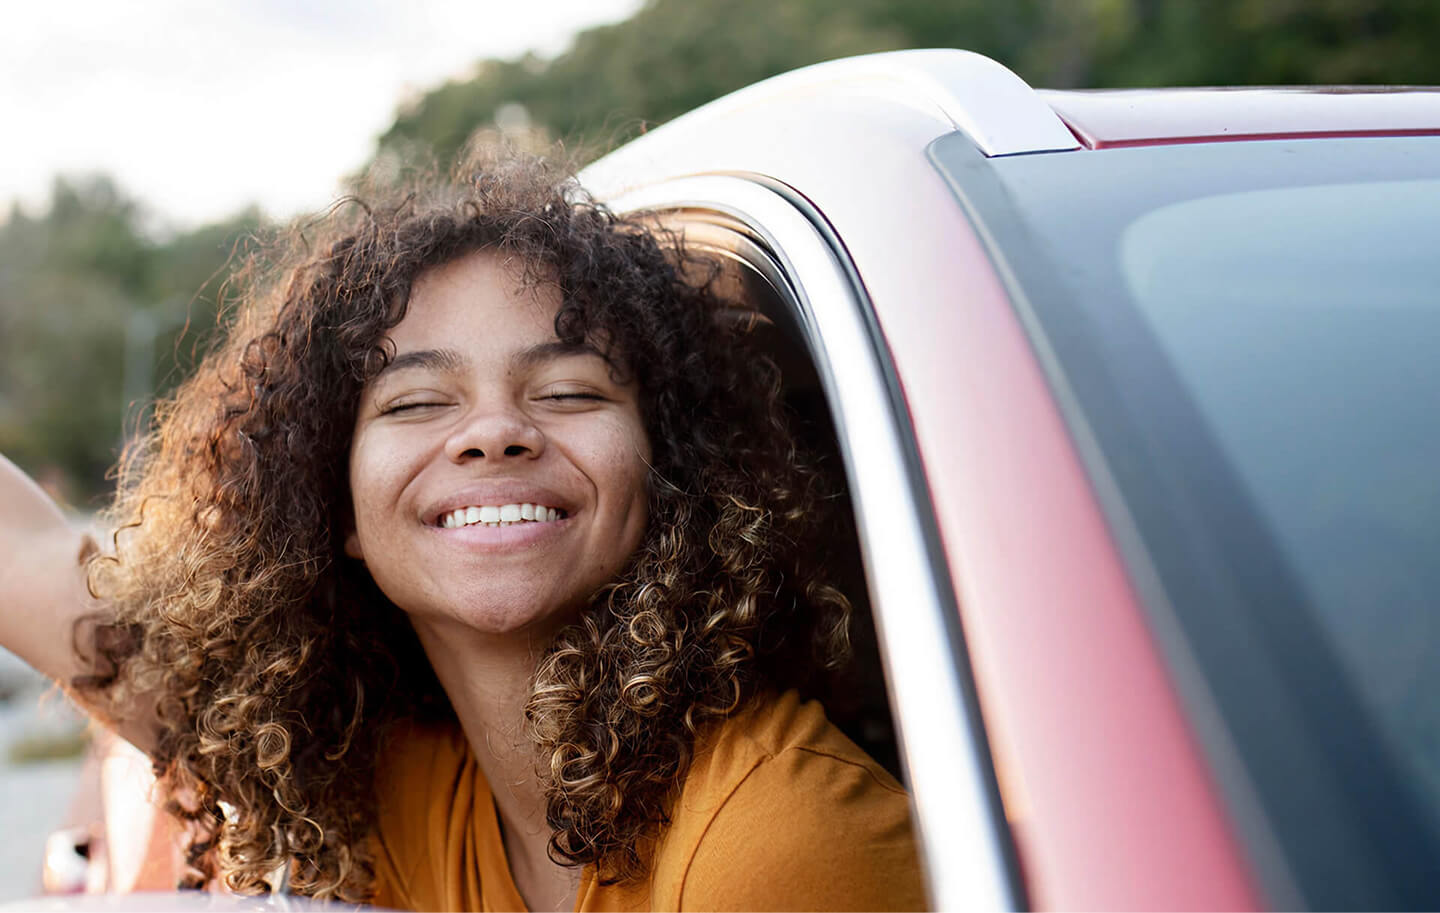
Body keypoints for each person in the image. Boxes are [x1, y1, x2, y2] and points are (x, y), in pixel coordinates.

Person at [0, 154, 924, 911]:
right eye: (415, 401)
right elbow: (31, 561)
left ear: (669, 468)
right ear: (336, 506)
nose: (493, 431)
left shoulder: (784, 843)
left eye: (568, 391)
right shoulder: (399, 796)